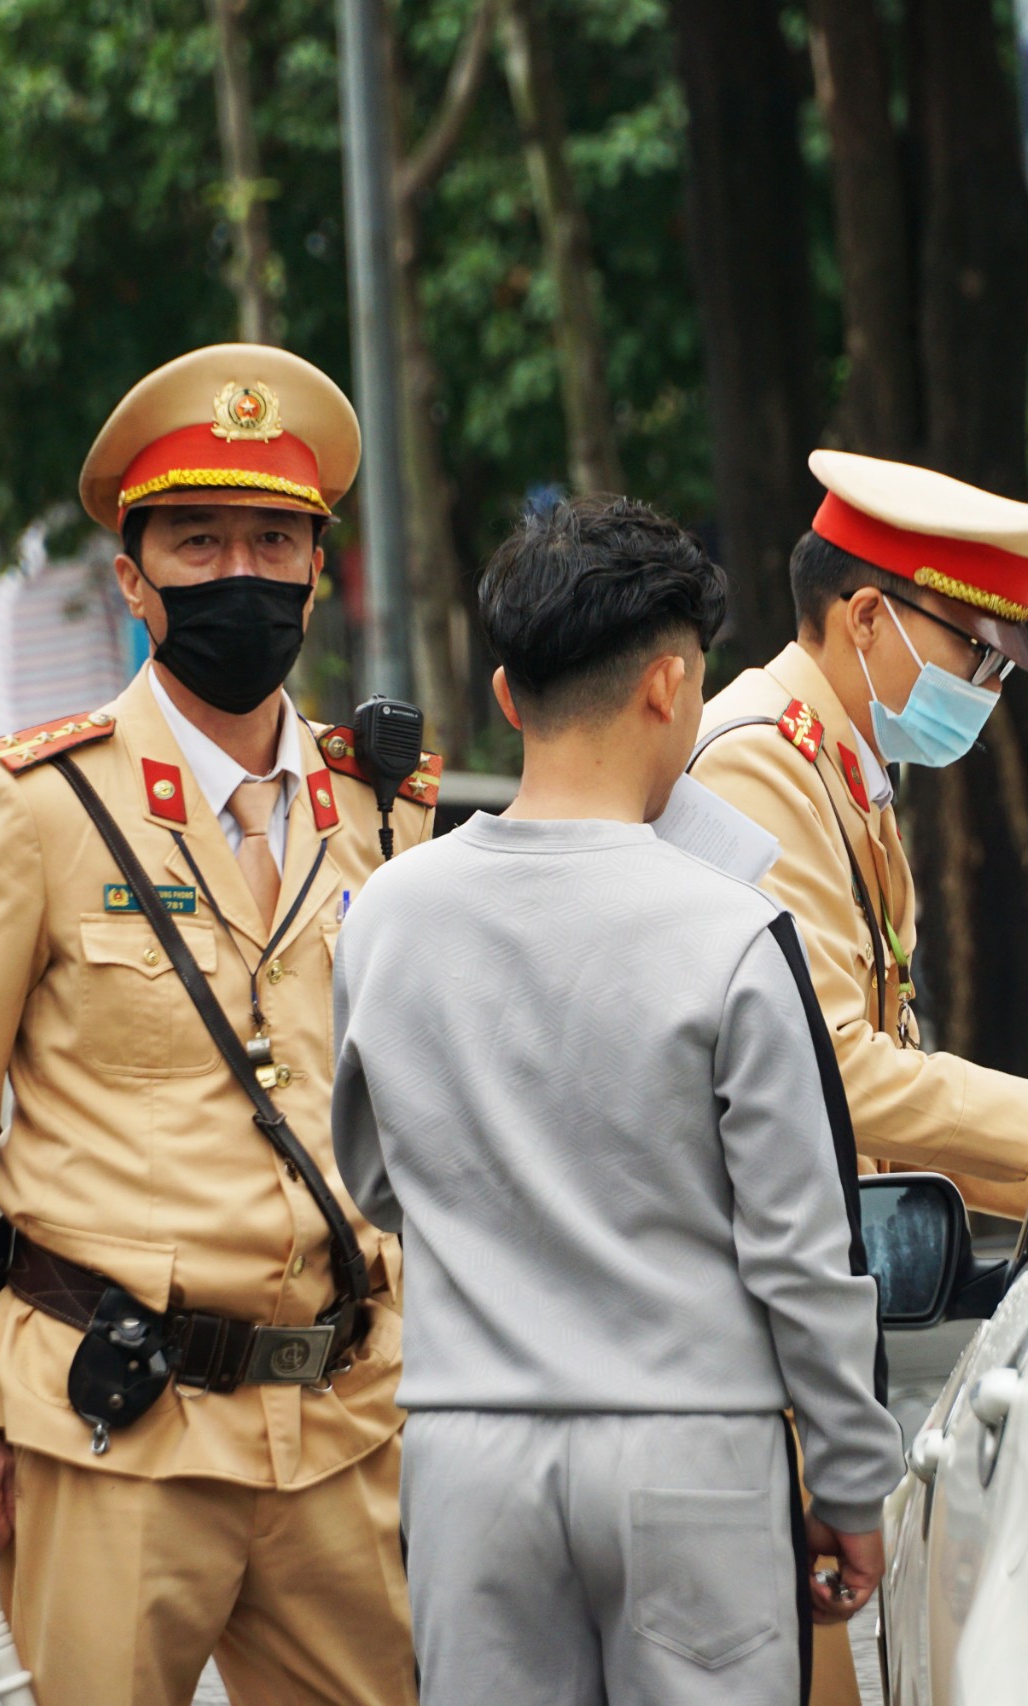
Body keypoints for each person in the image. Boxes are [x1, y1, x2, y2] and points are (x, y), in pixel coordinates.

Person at [0, 344, 438, 1706]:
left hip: (348, 1425)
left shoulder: (387, 811)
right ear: (133, 579)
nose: (239, 571)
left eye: (273, 540)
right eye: (197, 540)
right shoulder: (32, 811)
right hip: (115, 1430)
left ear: (319, 571)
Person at [329, 496, 903, 1706]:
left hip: (467, 1453)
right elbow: (803, 1253)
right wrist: (848, 1483)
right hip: (692, 1453)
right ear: (668, 687)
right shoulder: (736, 929)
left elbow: (379, 1181)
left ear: (504, 695)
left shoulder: (386, 911)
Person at [693, 452, 1028, 1704]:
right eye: (973, 652)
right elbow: (843, 1076)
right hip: (733, 1349)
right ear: (866, 616)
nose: (985, 688)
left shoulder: (841, 769)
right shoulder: (757, 762)